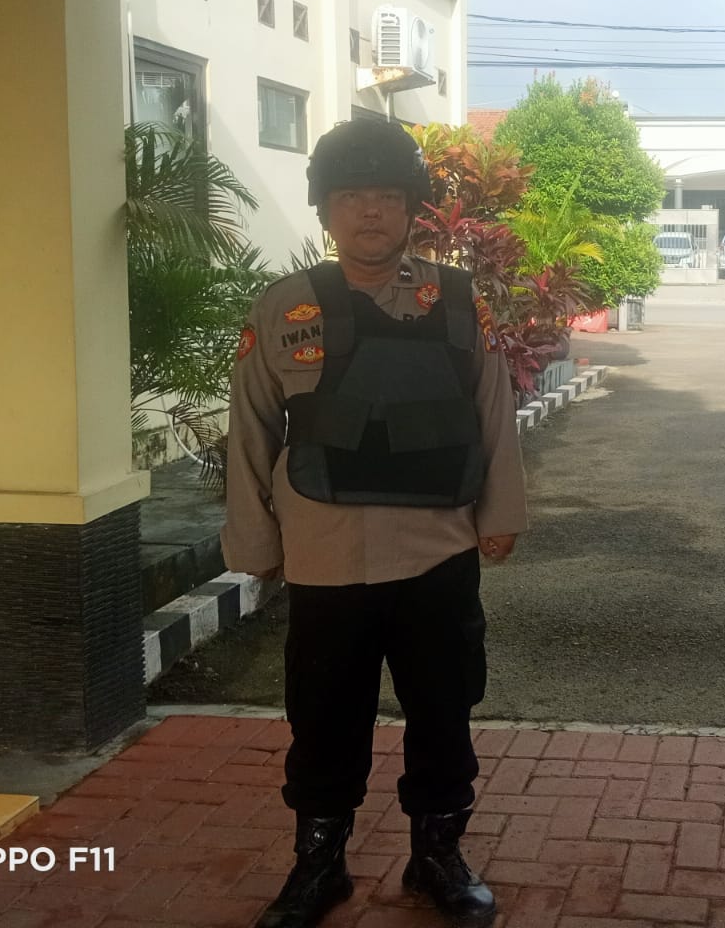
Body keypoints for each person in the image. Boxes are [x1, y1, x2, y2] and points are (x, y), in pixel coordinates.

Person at [222, 117, 526, 928]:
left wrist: (500, 514)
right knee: (323, 718)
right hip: (325, 557)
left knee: (444, 710)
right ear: (326, 208)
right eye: (352, 196)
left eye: (387, 196)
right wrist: (254, 538)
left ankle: (437, 856)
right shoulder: (285, 306)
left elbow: (493, 411)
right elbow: (250, 428)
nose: (369, 211)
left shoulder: (455, 300)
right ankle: (319, 866)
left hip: (437, 553)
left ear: (411, 208)